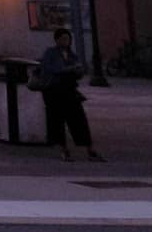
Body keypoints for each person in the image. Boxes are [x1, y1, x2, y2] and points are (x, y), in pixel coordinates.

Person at [38, 28, 105, 162]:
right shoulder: (50, 53)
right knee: (58, 121)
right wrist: (69, 69)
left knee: (79, 120)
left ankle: (89, 149)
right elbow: (51, 69)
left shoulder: (72, 55)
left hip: (69, 91)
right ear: (56, 40)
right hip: (55, 92)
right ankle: (63, 149)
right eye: (63, 39)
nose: (66, 41)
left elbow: (77, 73)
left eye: (67, 39)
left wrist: (77, 71)